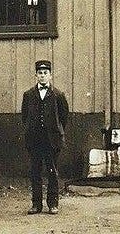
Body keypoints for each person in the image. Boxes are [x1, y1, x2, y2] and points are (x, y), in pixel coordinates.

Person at [20, 59, 69, 215]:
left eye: (45, 73)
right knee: (35, 172)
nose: (42, 76)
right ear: (36, 75)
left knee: (52, 172)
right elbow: (24, 117)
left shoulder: (58, 95)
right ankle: (36, 205)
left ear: (50, 75)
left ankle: (53, 204)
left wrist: (56, 132)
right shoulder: (28, 95)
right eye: (40, 73)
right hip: (34, 140)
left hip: (51, 140)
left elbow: (63, 117)